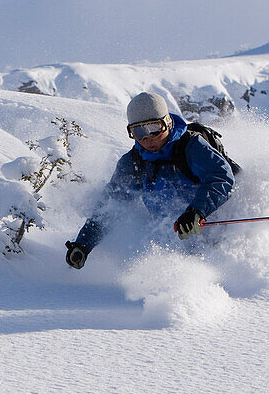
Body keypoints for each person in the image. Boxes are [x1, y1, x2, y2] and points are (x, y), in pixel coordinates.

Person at [65, 92, 236, 269]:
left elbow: (220, 177)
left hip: (216, 229)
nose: (147, 138)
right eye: (138, 131)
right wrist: (83, 244)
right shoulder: (133, 163)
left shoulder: (191, 147)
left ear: (167, 122)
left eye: (154, 128)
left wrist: (196, 211)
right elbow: (110, 206)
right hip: (177, 242)